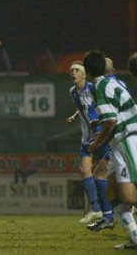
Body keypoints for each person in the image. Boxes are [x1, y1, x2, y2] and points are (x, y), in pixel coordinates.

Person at [84, 50, 137, 250]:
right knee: (111, 192)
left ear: (87, 71)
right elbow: (115, 114)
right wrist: (101, 122)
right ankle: (134, 237)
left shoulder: (99, 87)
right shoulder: (111, 83)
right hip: (122, 141)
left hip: (128, 140)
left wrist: (96, 143)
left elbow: (112, 120)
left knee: (128, 196)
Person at [66, 61, 113, 227]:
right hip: (87, 137)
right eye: (71, 70)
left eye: (77, 70)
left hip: (99, 135)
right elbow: (83, 107)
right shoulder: (73, 91)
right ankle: (95, 210)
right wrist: (74, 116)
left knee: (104, 173)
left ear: (84, 74)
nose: (73, 72)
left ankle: (117, 205)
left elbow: (98, 106)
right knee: (84, 170)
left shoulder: (94, 88)